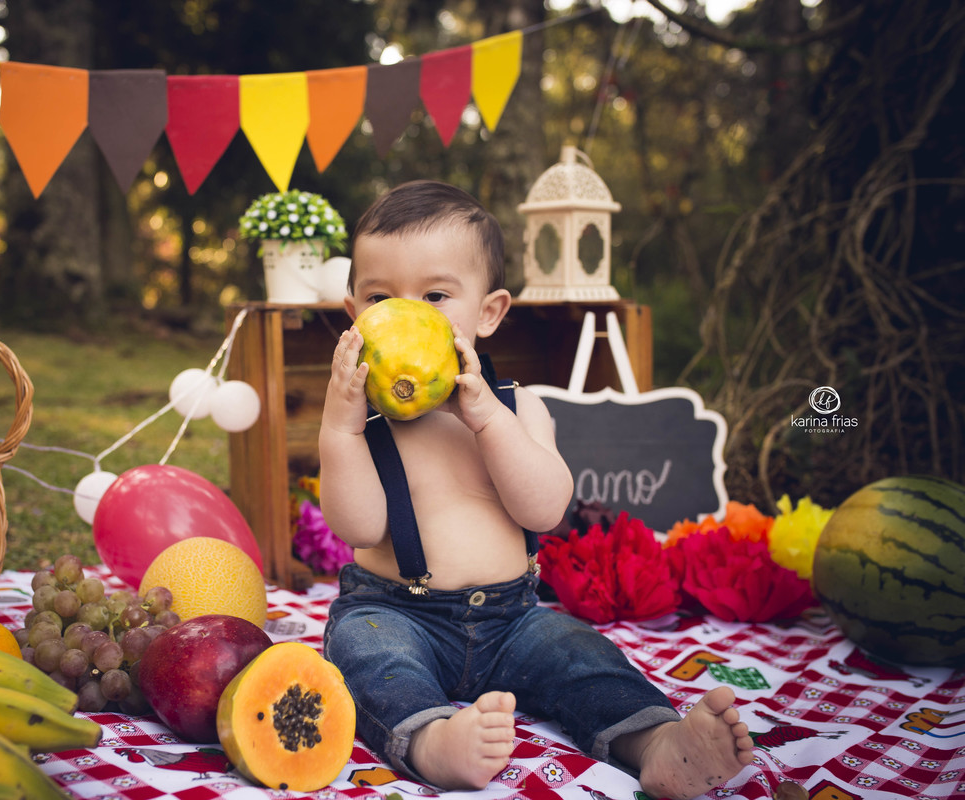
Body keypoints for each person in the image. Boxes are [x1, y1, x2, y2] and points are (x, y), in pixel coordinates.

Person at [318, 180, 755, 798]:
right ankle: (431, 739)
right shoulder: (361, 420)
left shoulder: (519, 407)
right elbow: (359, 526)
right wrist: (339, 426)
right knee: (368, 656)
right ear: (356, 315)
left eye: (435, 295)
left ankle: (656, 742)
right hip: (396, 609)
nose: (408, 313)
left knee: (582, 654)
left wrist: (488, 421)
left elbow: (545, 509)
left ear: (489, 312)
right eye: (381, 298)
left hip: (511, 617)